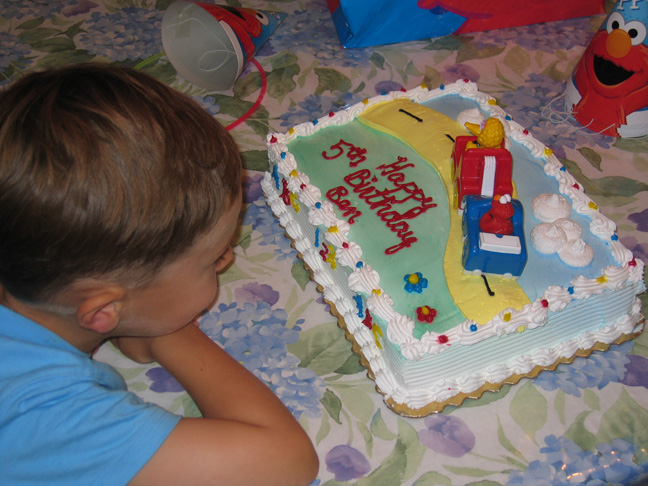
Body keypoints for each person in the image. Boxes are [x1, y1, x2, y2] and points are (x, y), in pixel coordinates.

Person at [0, 64, 319, 486]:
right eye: (212, 259)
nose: (228, 258)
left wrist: (143, 312)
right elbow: (286, 461)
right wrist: (169, 333)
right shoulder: (46, 420)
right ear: (104, 311)